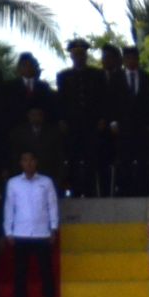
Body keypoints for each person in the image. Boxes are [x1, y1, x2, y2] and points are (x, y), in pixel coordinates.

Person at [3, 151, 59, 297]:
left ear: (36, 162)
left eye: (31, 160)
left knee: (46, 272)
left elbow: (52, 205)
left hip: (42, 233)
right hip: (21, 233)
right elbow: (9, 208)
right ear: (21, 163)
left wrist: (53, 227)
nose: (28, 163)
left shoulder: (46, 182)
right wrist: (8, 230)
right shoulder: (13, 183)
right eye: (25, 160)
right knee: (20, 272)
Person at [56, 38, 108, 196]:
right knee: (73, 159)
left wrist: (102, 118)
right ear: (71, 56)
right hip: (72, 125)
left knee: (92, 159)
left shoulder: (97, 74)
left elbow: (103, 99)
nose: (79, 57)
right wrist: (62, 120)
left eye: (82, 53)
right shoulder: (63, 76)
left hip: (91, 125)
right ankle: (75, 191)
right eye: (76, 54)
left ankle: (91, 191)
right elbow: (61, 100)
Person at [110, 46, 149, 196]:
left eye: (134, 58)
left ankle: (143, 191)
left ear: (138, 60)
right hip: (123, 127)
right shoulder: (116, 77)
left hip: (141, 127)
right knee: (124, 160)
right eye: (128, 58)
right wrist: (113, 122)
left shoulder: (146, 77)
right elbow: (110, 101)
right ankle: (124, 191)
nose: (132, 61)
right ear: (124, 60)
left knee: (142, 160)